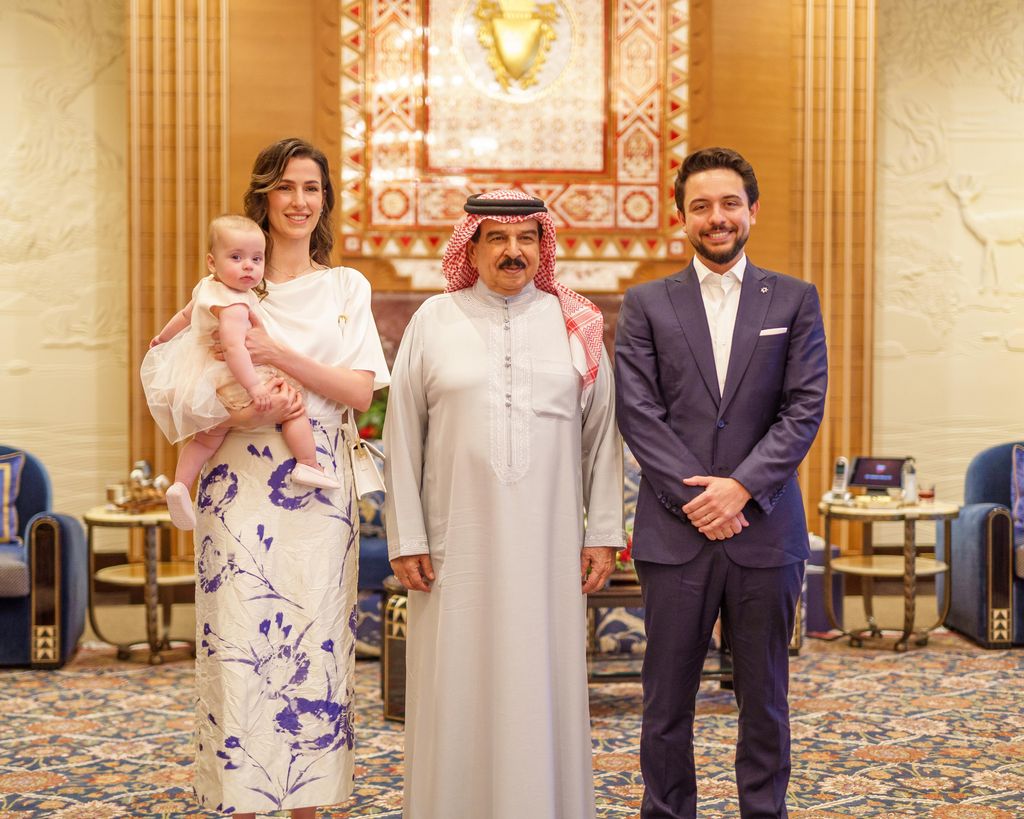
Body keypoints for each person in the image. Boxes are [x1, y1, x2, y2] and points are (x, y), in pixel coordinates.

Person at [383, 190, 625, 819]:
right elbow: (401, 435)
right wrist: (406, 536)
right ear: (473, 246)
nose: (512, 252)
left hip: (547, 552)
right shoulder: (433, 321)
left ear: (544, 248)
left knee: (540, 682)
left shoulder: (577, 324)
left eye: (526, 240)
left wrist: (602, 531)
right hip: (452, 550)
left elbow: (603, 436)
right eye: (496, 237)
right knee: (456, 684)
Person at [614, 147, 828, 818]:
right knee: (666, 697)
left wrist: (740, 489)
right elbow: (637, 412)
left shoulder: (793, 299)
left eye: (730, 203)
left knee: (764, 695)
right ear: (681, 218)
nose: (717, 217)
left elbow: (804, 406)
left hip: (765, 530)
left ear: (752, 211)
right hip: (674, 534)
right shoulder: (646, 303)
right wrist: (699, 499)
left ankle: (764, 810)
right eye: (701, 205)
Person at [181, 138, 387, 819]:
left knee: (317, 644)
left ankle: (308, 805)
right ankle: (243, 803)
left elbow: (359, 394)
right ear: (263, 196)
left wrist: (275, 354)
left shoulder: (346, 286)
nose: (300, 201)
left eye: (312, 188)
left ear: (324, 200)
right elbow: (185, 386)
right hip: (236, 480)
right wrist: (248, 393)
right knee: (241, 646)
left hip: (317, 483)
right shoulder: (227, 287)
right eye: (286, 187)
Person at [142, 214, 339, 530]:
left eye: (256, 259)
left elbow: (184, 316)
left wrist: (163, 337)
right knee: (293, 406)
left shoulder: (206, 288)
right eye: (236, 258)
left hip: (209, 382)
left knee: (207, 438)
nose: (248, 266)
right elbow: (235, 350)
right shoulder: (234, 304)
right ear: (212, 261)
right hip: (239, 378)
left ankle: (180, 484)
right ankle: (308, 463)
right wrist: (255, 388)